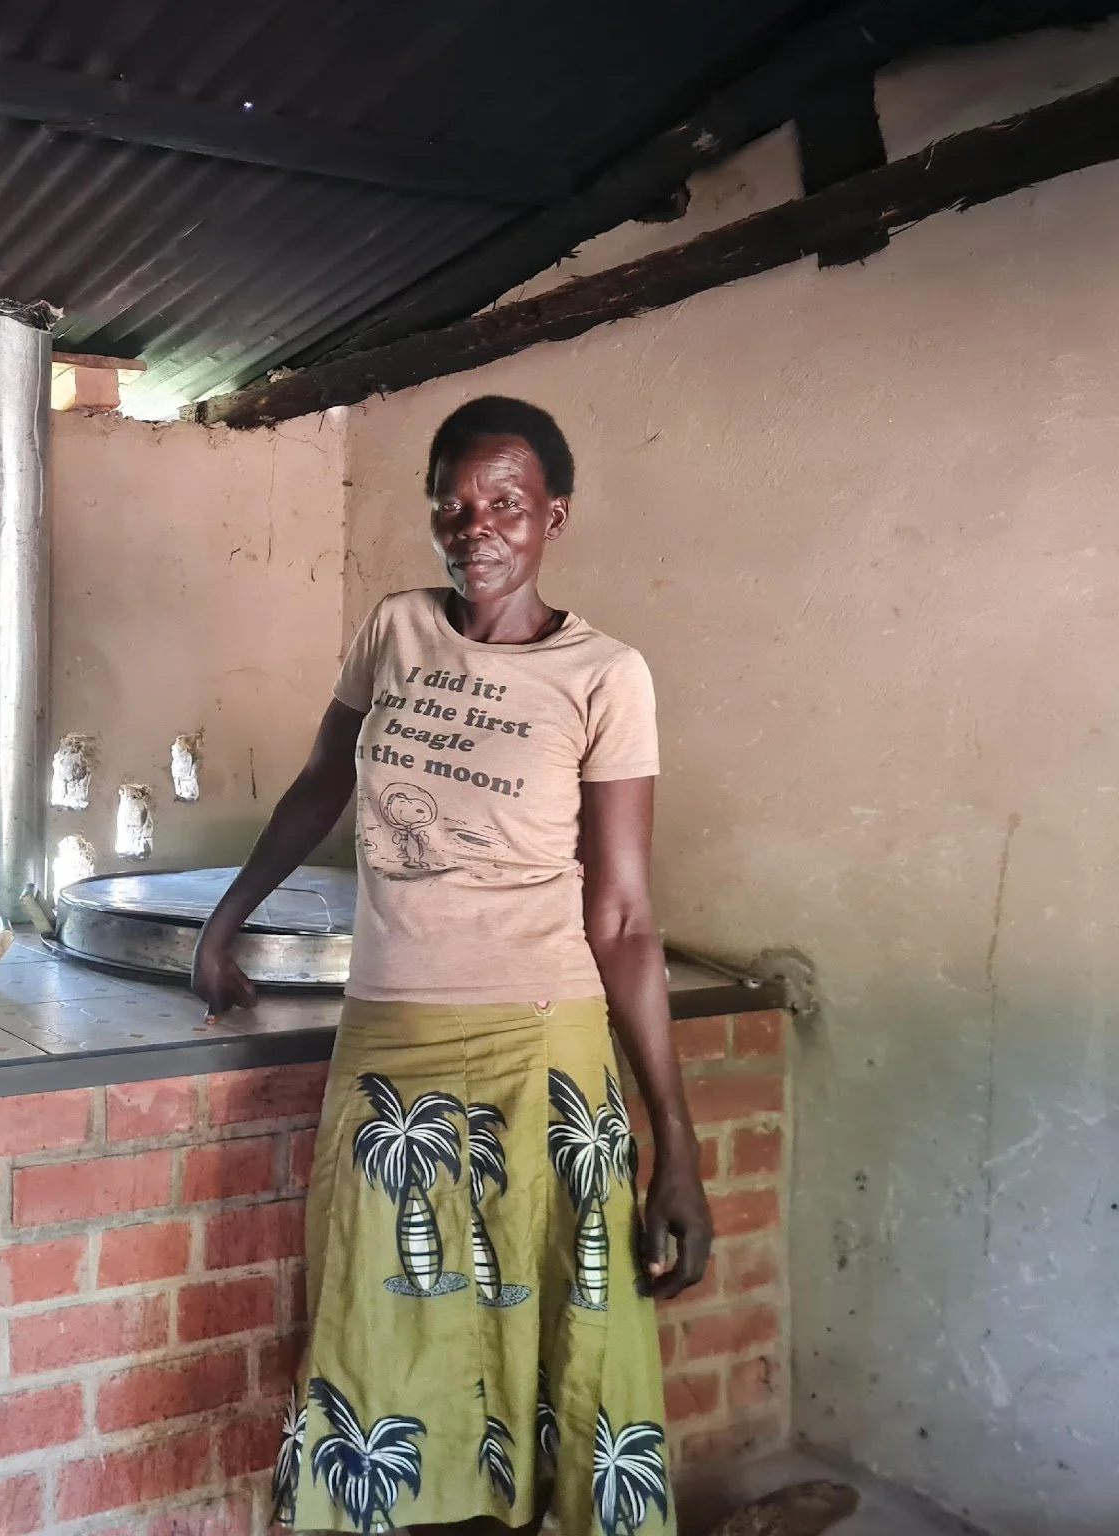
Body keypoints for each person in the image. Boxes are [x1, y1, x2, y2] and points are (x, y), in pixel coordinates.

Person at [192, 396, 710, 1536]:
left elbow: (620, 914)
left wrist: (675, 1142)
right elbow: (323, 783)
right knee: (378, 1325)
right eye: (453, 503)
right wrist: (224, 918)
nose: (474, 526)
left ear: (552, 517)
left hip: (542, 1042)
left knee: (555, 1331)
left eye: (505, 503)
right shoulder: (393, 630)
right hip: (389, 1038)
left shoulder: (604, 675)